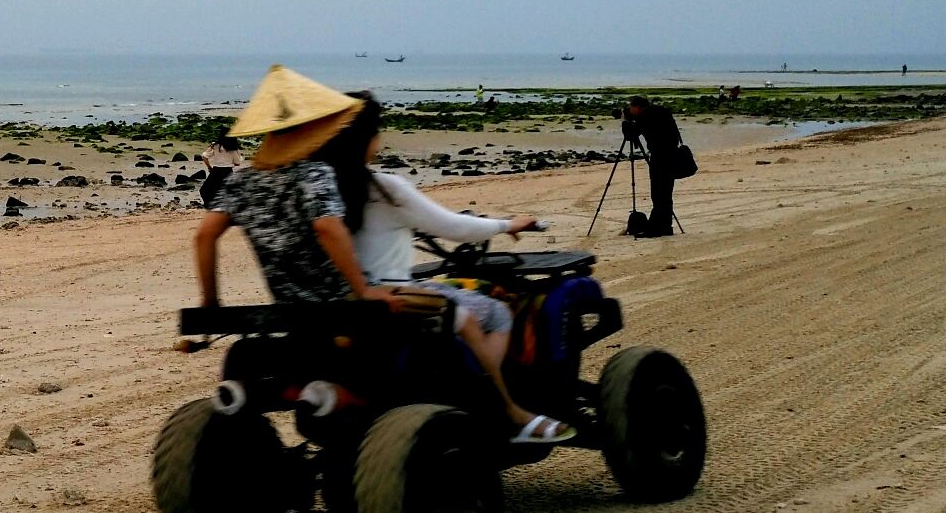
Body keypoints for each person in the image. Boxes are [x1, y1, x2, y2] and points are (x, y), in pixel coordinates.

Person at [325, 94, 570, 443]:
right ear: (369, 139)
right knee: (498, 313)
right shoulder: (385, 189)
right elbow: (454, 228)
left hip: (341, 303)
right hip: (392, 298)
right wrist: (508, 225)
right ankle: (501, 405)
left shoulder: (319, 190)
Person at [194, 67, 377, 316]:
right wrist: (364, 291)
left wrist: (210, 300)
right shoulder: (314, 174)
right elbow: (327, 228)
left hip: (286, 302)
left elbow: (204, 236)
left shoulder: (242, 183)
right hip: (338, 302)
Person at [622, 95, 681, 236]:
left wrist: (625, 122)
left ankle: (657, 228)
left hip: (660, 156)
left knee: (658, 192)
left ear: (637, 107)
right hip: (672, 153)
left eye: (631, 108)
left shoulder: (645, 115)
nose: (630, 110)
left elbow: (631, 134)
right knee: (666, 192)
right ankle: (666, 226)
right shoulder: (662, 111)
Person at [198, 135, 241, 206]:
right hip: (227, 171)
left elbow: (204, 157)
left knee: (205, 190)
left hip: (216, 171)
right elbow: (237, 163)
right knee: (228, 192)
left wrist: (209, 167)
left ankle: (210, 206)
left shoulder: (215, 146)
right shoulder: (233, 148)